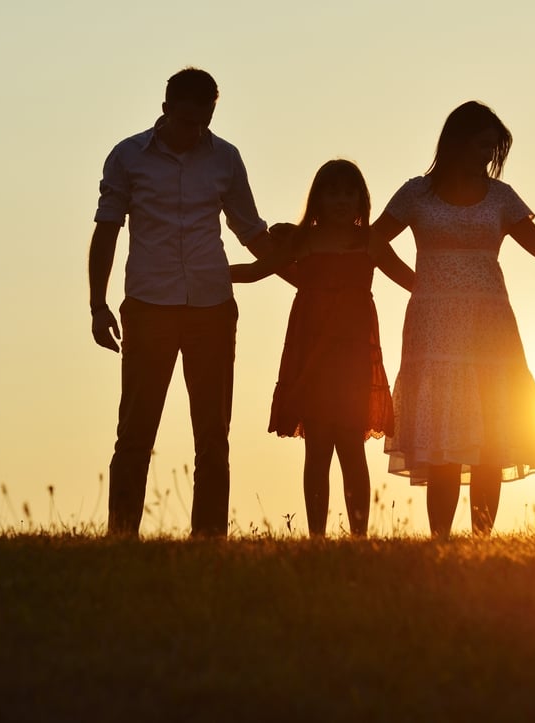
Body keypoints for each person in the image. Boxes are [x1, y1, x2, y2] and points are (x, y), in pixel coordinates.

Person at [369, 101, 535, 538]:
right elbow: (373, 242)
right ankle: (440, 541)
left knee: (489, 440)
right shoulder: (416, 193)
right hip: (433, 324)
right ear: (457, 142)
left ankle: (482, 541)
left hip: (489, 323)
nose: (488, 155)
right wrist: (416, 283)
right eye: (482, 145)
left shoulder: (502, 197)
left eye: (493, 148)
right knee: (441, 441)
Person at [88, 67, 277, 538]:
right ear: (166, 107)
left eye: (204, 121)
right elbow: (107, 228)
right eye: (188, 120)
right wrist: (97, 304)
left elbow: (250, 229)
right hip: (149, 305)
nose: (196, 131)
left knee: (213, 435)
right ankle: (121, 535)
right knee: (135, 430)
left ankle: (209, 539)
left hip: (212, 308)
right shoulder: (128, 156)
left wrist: (306, 270)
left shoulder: (226, 159)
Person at [231, 160, 412, 536]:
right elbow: (254, 271)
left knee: (350, 445)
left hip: (353, 358)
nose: (341, 201)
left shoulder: (370, 243)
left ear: (361, 199)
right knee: (316, 449)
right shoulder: (302, 242)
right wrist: (208, 271)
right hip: (311, 356)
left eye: (349, 193)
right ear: (318, 199)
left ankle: (359, 537)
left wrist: (458, 288)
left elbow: (413, 281)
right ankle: (316, 537)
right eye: (332, 193)